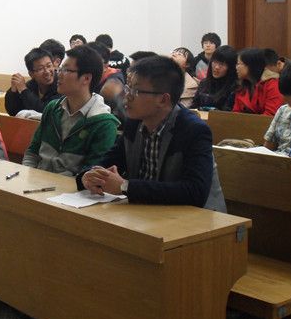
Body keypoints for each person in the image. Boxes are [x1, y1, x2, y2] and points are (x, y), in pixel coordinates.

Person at [76, 56, 226, 211]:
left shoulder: (193, 130)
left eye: (136, 91)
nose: (127, 96)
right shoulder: (134, 123)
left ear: (163, 99)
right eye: (127, 88)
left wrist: (125, 186)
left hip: (197, 218)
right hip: (148, 212)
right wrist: (87, 176)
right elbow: (109, 161)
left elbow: (195, 192)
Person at [22, 45, 119, 175]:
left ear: (86, 78)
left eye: (66, 70)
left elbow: (91, 174)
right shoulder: (52, 108)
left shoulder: (104, 124)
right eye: (60, 68)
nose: (58, 74)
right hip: (36, 180)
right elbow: (32, 151)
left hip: (70, 187)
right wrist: (26, 174)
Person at [4, 47, 61, 116]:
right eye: (40, 69)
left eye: (49, 66)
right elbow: (13, 112)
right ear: (31, 74)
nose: (47, 71)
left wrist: (24, 90)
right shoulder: (31, 85)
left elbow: (45, 112)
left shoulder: (62, 85)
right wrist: (13, 91)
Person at [233, 48, 284, 116]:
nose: (236, 67)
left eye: (239, 64)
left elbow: (270, 114)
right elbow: (236, 113)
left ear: (251, 65)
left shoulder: (272, 84)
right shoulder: (242, 86)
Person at [191, 45, 237, 111]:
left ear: (231, 67)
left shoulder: (234, 88)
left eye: (222, 64)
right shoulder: (204, 83)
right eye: (215, 62)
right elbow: (194, 106)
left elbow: (227, 112)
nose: (216, 67)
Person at [264, 62, 291, 155]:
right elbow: (268, 147)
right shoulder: (283, 110)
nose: (284, 99)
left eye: (290, 97)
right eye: (284, 95)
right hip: (276, 160)